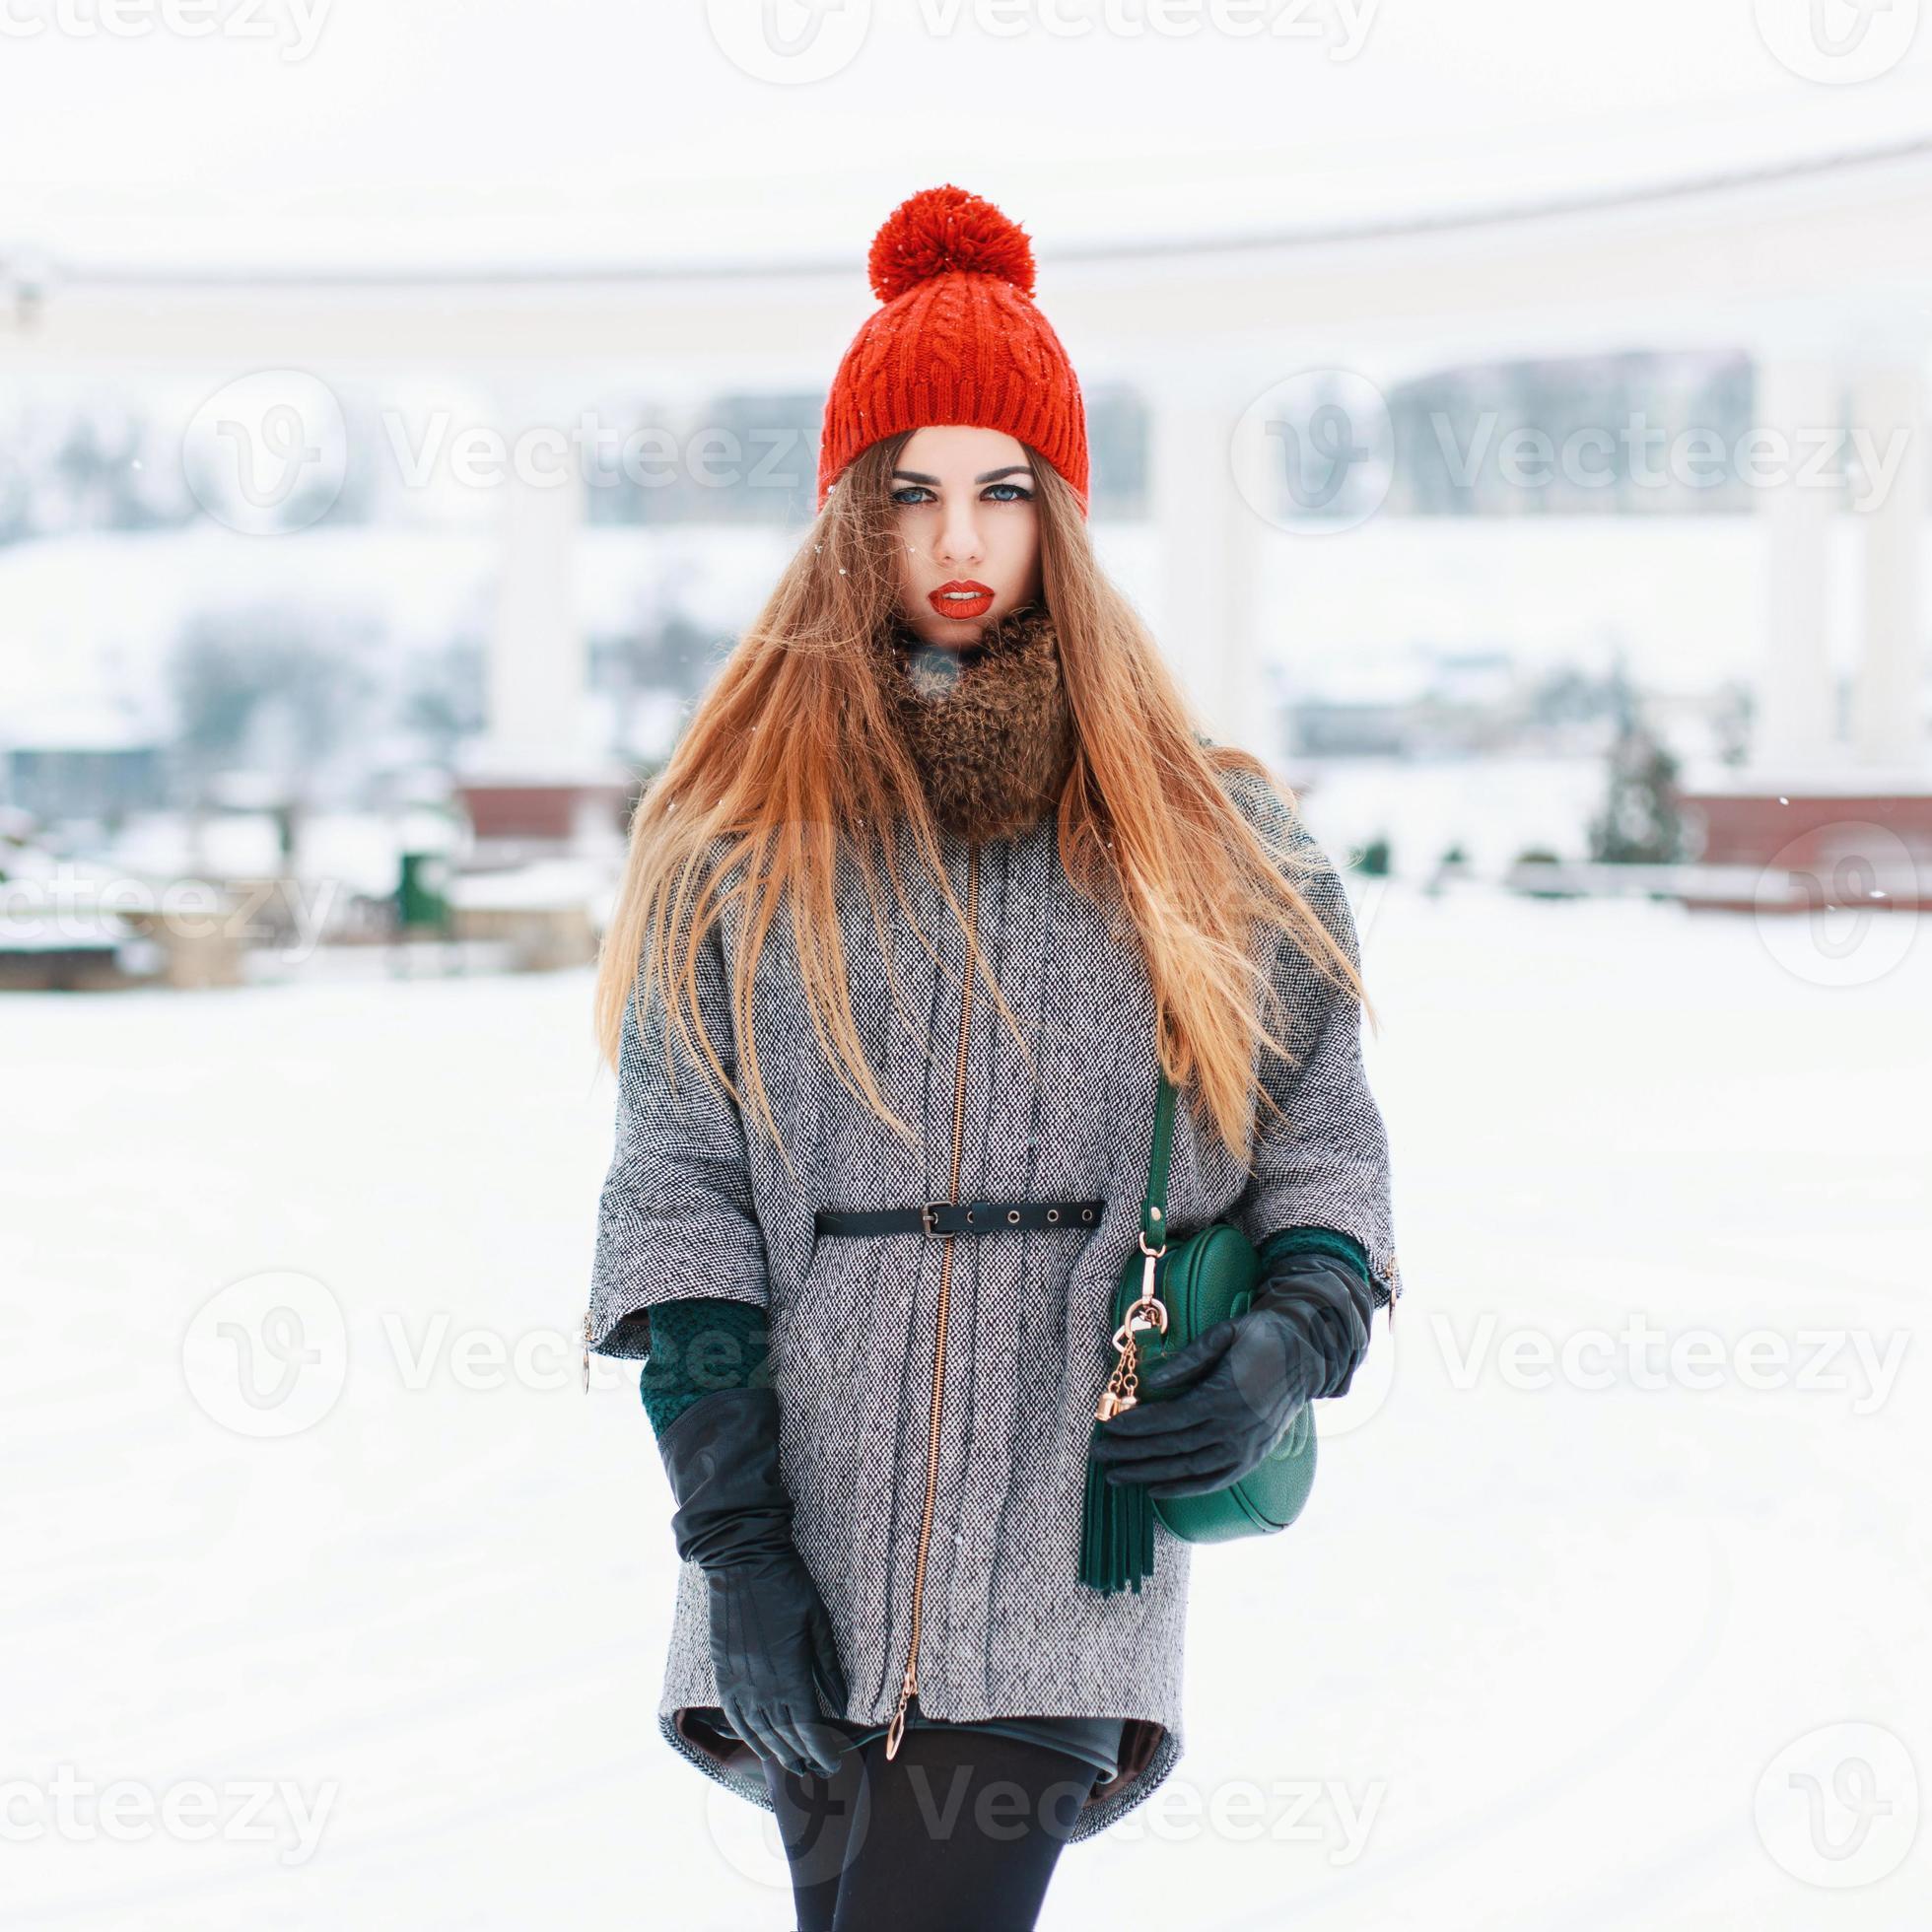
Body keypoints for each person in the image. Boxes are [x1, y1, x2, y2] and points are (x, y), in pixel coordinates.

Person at [584, 182, 1400, 1931]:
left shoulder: (1212, 839)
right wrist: (735, 1552)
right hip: (796, 1528)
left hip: (1070, 1522)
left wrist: (1290, 1339)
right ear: (847, 521)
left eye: (1004, 489)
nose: (960, 534)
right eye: (912, 491)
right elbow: (678, 1201)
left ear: (1062, 517)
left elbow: (1322, 1135)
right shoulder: (734, 845)